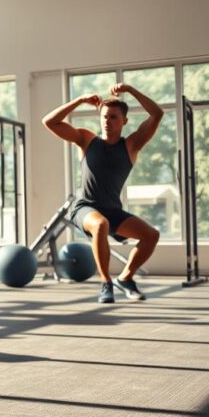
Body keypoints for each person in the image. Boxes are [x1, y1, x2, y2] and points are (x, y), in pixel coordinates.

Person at [42, 83, 163, 303]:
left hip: (112, 210)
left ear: (124, 121)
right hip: (84, 208)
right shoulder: (86, 140)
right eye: (105, 117)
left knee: (151, 235)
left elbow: (157, 114)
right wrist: (79, 100)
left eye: (114, 118)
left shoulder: (132, 145)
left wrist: (131, 90)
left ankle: (125, 278)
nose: (107, 121)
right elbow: (49, 122)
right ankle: (106, 282)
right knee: (100, 224)